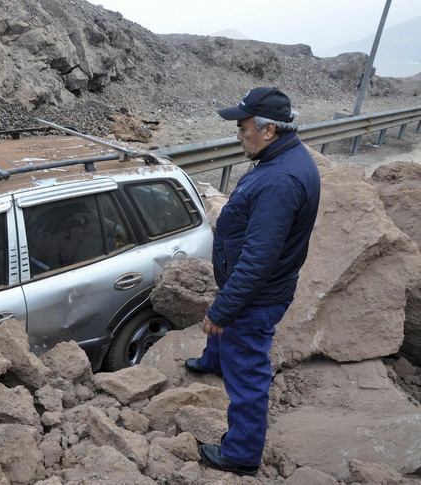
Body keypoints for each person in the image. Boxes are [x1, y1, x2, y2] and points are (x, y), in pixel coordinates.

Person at [184, 87, 321, 476]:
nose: (238, 135)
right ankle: (214, 360)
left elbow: (259, 261)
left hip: (256, 296)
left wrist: (224, 310)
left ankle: (241, 453)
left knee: (247, 370)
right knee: (226, 332)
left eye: (242, 128)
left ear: (269, 129)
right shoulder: (278, 158)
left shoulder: (281, 179)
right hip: (248, 286)